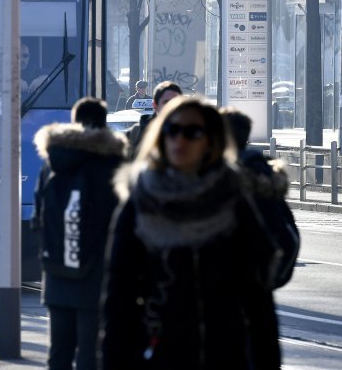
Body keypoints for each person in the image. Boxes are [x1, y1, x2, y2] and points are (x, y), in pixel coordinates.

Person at [99, 97, 295, 369]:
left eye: (192, 132)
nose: (180, 139)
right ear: (161, 137)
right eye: (172, 130)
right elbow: (118, 299)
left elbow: (257, 301)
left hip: (226, 356)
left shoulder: (234, 199)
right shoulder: (141, 202)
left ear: (210, 141)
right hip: (159, 356)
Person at [33, 97, 127, 370]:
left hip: (55, 270)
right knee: (89, 352)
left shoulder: (53, 162)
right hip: (95, 273)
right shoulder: (111, 164)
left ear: (74, 121)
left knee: (59, 351)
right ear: (104, 123)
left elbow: (39, 213)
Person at [220, 107, 300, 368]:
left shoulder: (215, 182)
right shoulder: (265, 180)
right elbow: (288, 239)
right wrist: (268, 280)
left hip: (220, 306)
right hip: (258, 303)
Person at [125, 80, 182, 157]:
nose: (170, 106)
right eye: (166, 102)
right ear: (155, 105)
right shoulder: (137, 132)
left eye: (175, 102)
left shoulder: (188, 130)